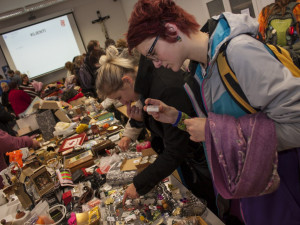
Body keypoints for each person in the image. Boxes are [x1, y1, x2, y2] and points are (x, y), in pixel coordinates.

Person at [126, 0, 300, 224]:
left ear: (171, 30)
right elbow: (217, 130)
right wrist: (177, 118)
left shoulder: (239, 52)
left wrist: (212, 130)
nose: (156, 64)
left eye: (152, 53)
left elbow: (296, 124)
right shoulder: (200, 69)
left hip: (281, 193)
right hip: (247, 191)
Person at [96, 46, 217, 214]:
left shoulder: (165, 88)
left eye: (119, 97)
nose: (123, 103)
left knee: (213, 207)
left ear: (127, 81)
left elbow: (176, 149)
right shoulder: (146, 83)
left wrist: (140, 183)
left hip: (202, 156)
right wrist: (143, 118)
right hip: (189, 156)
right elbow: (165, 117)